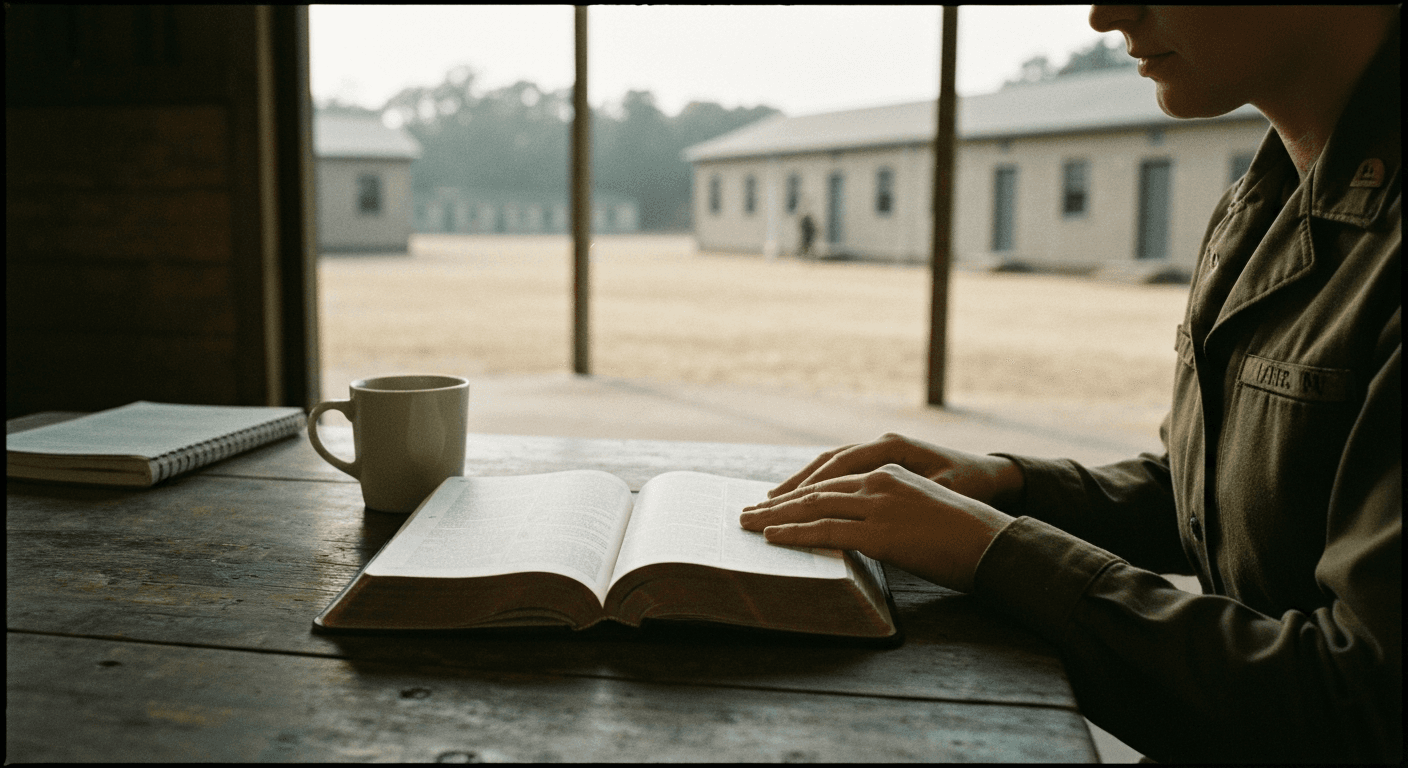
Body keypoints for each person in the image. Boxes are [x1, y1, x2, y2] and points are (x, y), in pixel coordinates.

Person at [740, 6, 1400, 763]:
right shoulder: (1263, 199)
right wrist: (1008, 486)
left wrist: (997, 552)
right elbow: (1207, 501)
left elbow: (1360, 703)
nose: (1104, 14)